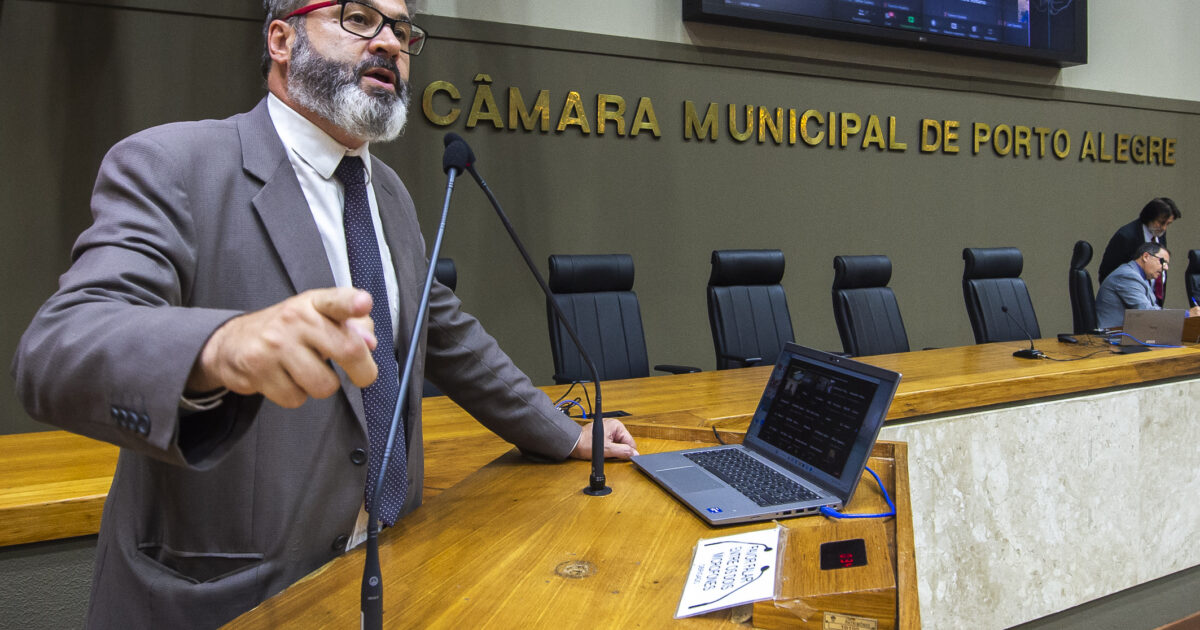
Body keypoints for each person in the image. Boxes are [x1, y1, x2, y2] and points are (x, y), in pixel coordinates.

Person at [11, 1, 637, 627]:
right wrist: (220, 345)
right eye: (359, 17)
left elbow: (443, 332)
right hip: (233, 598)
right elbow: (58, 346)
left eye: (401, 29)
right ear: (281, 39)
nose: (390, 42)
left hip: (391, 574)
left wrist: (563, 434)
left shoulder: (387, 191)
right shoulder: (172, 164)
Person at [1094, 242, 1200, 329]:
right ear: (1146, 256)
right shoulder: (1127, 276)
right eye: (1163, 262)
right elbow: (1147, 312)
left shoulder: (1140, 276)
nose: (1166, 268)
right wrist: (1187, 315)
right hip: (1111, 339)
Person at [1097, 197, 1181, 307]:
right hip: (1128, 305)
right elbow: (1108, 274)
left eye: (1168, 224)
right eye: (1161, 223)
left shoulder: (1160, 234)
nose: (1164, 228)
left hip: (1152, 300)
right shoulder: (1126, 237)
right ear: (1149, 217)